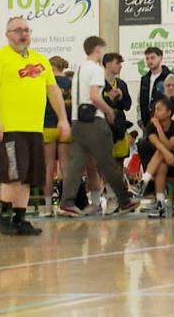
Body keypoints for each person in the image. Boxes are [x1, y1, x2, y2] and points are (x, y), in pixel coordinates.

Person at [0, 17, 71, 236]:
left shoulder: (40, 60)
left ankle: (20, 219)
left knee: (29, 176)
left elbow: (53, 91)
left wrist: (62, 118)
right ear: (8, 34)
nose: (23, 34)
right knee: (13, 174)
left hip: (34, 129)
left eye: (26, 30)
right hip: (10, 128)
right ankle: (4, 215)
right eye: (17, 30)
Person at [56, 37, 140, 218]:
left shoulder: (79, 69)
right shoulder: (95, 69)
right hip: (93, 121)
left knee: (76, 163)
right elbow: (94, 96)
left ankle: (67, 203)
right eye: (103, 49)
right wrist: (109, 111)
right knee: (108, 162)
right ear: (97, 50)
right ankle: (124, 201)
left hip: (77, 121)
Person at [134, 97, 174, 219]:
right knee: (162, 163)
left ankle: (143, 181)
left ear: (169, 112)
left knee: (161, 153)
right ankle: (160, 203)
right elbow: (158, 144)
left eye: (159, 109)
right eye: (155, 109)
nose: (155, 112)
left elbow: (169, 145)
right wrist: (166, 153)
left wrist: (159, 127)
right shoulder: (150, 126)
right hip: (164, 160)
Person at [39, 56, 71, 217]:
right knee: (65, 167)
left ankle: (47, 206)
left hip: (47, 125)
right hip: (64, 126)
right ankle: (66, 204)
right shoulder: (69, 84)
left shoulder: (44, 83)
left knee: (48, 167)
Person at [102, 52, 133, 161]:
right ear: (108, 64)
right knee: (103, 161)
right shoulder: (97, 83)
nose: (120, 66)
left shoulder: (121, 84)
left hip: (119, 124)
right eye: (117, 63)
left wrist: (121, 97)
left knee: (120, 159)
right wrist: (108, 98)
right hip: (103, 126)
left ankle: (118, 179)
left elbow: (128, 106)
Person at [138, 47, 171, 125]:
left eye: (152, 58)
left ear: (160, 58)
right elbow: (140, 100)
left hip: (165, 122)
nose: (149, 61)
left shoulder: (169, 77)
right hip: (147, 122)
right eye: (147, 58)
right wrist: (140, 119)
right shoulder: (144, 79)